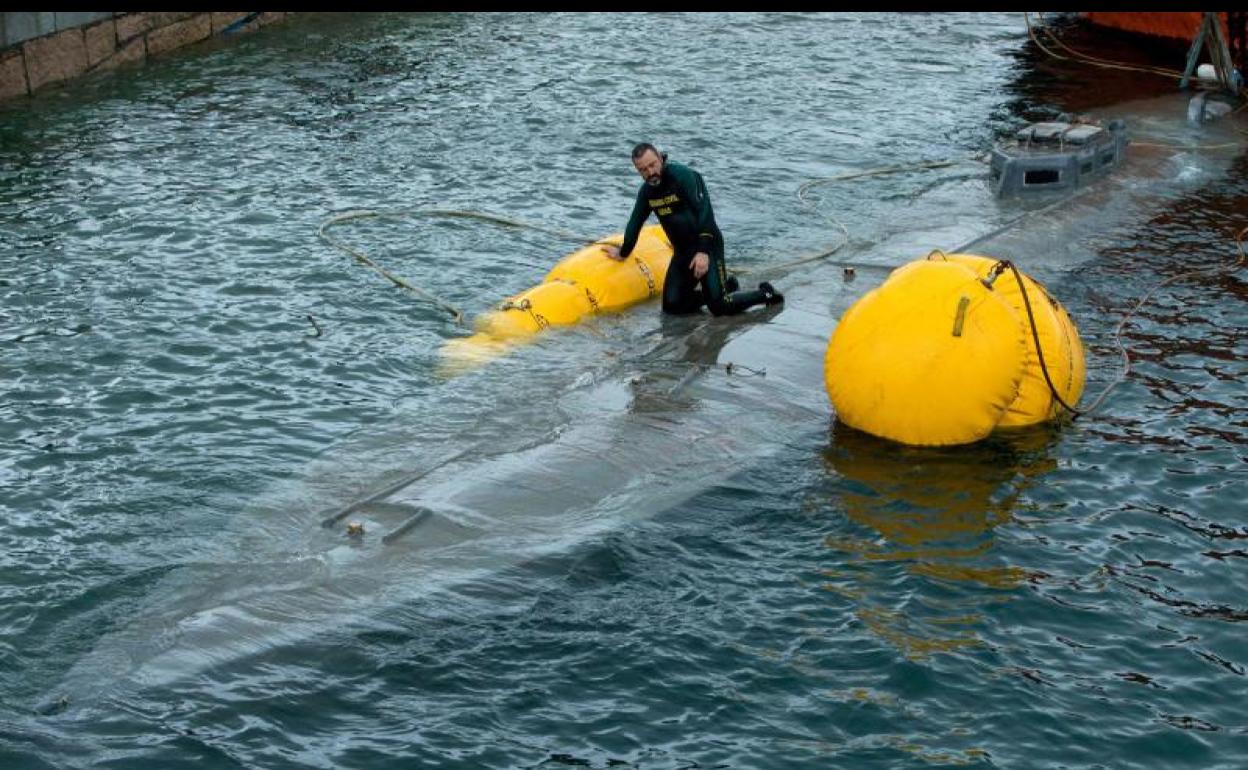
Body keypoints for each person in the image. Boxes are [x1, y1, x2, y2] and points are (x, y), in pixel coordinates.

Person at [603, 143, 783, 316]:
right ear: (638, 170)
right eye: (643, 169)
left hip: (707, 246)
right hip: (683, 253)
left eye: (653, 165)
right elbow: (635, 222)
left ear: (660, 158)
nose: (650, 172)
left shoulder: (683, 176)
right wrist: (624, 252)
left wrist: (703, 252)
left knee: (719, 307)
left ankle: (765, 293)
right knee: (673, 306)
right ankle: (726, 287)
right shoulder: (647, 192)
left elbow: (705, 213)